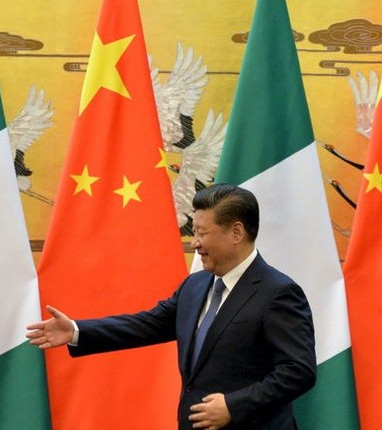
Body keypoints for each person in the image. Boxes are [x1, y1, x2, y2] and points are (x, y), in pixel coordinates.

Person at [27, 184, 316, 430]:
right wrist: (77, 331)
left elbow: (298, 371)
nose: (196, 243)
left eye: (202, 233)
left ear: (237, 232)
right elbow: (146, 325)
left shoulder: (278, 292)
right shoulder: (195, 285)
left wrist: (233, 405)